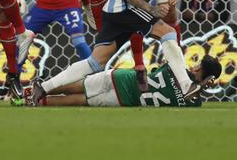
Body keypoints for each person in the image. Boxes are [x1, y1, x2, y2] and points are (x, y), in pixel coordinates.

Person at [30, 0, 207, 107]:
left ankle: (43, 87)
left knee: (96, 62)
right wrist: (150, 10)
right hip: (123, 7)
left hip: (112, 9)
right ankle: (185, 85)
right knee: (167, 32)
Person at [20, 0, 92, 84]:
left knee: (79, 42)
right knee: (22, 39)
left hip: (68, 4)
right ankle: (14, 84)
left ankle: (97, 78)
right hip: (43, 6)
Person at [32, 55, 221, 107]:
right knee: (82, 100)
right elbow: (191, 96)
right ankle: (40, 103)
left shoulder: (177, 68)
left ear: (199, 69)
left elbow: (156, 71)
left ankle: (38, 92)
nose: (195, 66)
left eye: (199, 65)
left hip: (123, 78)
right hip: (126, 100)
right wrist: (201, 88)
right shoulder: (193, 102)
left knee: (79, 86)